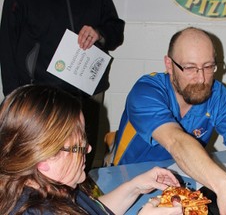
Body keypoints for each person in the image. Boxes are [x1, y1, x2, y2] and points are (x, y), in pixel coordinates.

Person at [110, 27, 226, 214]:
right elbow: (175, 141)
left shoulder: (219, 95)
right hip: (130, 181)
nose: (201, 78)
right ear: (169, 65)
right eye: (190, 68)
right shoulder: (146, 92)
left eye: (208, 66)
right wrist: (225, 186)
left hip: (187, 178)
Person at [0, 84, 183, 215]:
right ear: (44, 159)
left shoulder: (50, 187)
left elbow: (90, 209)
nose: (87, 149)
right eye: (78, 147)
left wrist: (135, 187)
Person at [0, 0, 125, 171]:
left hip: (88, 91)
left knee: (85, 161)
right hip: (43, 94)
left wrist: (99, 33)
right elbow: (7, 42)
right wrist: (13, 95)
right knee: (45, 165)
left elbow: (116, 31)